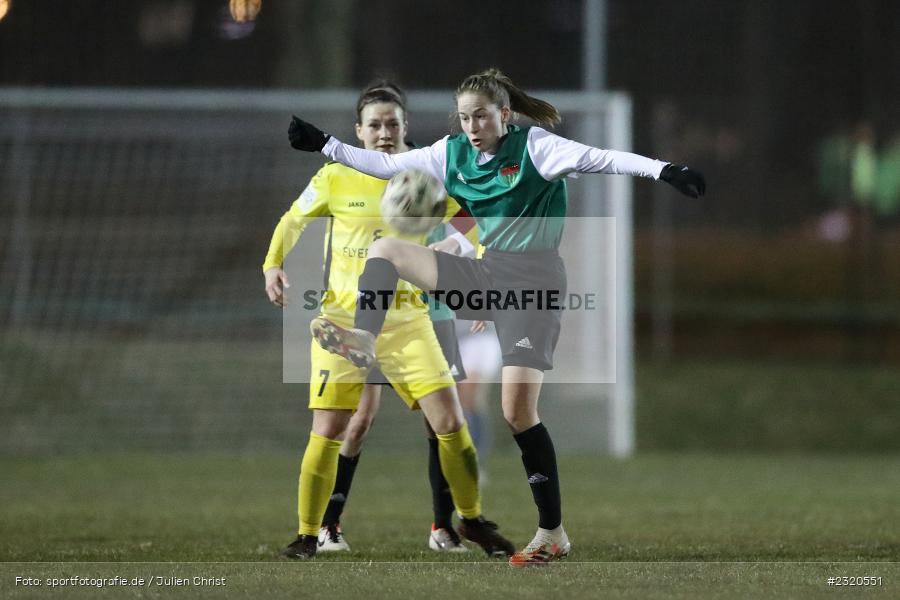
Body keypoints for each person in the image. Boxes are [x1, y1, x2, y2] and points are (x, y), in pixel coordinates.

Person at [287, 68, 706, 566]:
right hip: (486, 274)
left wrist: (664, 170)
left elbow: (603, 159)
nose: (471, 126)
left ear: (504, 114)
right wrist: (327, 144)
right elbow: (381, 164)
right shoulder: (450, 152)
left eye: (480, 116)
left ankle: (552, 532)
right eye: (464, 117)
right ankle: (364, 337)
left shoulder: (537, 148)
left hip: (533, 285)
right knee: (387, 248)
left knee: (517, 412)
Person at [265, 81, 514, 560]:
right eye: (375, 125)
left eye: (393, 124)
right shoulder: (336, 175)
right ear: (358, 131)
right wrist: (272, 263)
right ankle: (308, 534)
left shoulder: (422, 177)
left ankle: (470, 521)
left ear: (406, 128)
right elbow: (293, 219)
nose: (384, 133)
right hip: (344, 319)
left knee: (450, 421)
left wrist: (459, 251)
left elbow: (473, 225)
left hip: (408, 319)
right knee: (335, 427)